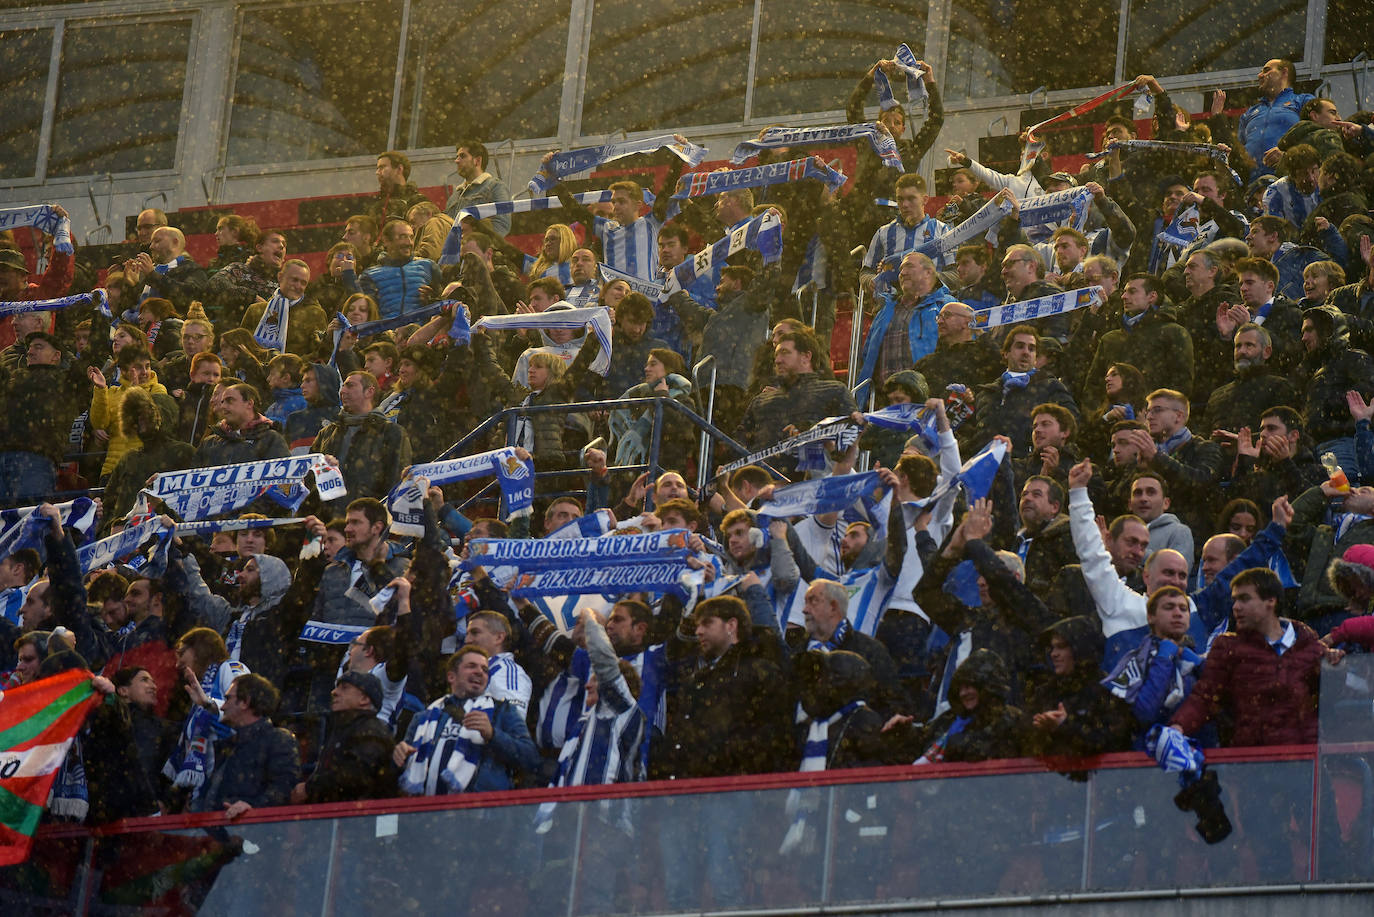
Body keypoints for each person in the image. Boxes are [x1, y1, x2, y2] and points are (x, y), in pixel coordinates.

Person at [1169, 567, 1329, 746]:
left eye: (1244, 599)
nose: (1236, 607)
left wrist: (1339, 665)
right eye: (1235, 600)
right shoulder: (1228, 648)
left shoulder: (1310, 647)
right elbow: (1205, 697)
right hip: (1250, 762)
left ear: (1271, 601)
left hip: (1305, 762)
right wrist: (1177, 727)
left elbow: (1333, 700)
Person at [393, 646, 539, 795]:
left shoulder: (502, 711)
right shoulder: (423, 717)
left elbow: (530, 758)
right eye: (471, 666)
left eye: (484, 669)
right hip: (429, 810)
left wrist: (493, 735)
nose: (479, 672)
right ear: (451, 677)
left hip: (482, 811)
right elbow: (404, 765)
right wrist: (400, 756)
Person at [192, 673, 300, 818]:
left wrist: (252, 808)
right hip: (218, 831)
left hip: (251, 833)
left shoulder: (278, 740)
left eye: (228, 698)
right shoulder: (229, 745)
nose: (223, 707)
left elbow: (284, 787)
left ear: (245, 702)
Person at [290, 671, 398, 804]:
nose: (334, 692)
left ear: (364, 699)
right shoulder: (343, 729)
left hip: (359, 819)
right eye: (337, 687)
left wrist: (309, 789)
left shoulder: (371, 731)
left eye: (344, 687)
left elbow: (354, 777)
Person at [310, 371, 412, 508]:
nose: (343, 391)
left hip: (368, 520)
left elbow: (396, 483)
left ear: (369, 392)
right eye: (343, 386)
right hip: (327, 521)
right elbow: (310, 480)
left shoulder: (392, 433)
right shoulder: (326, 434)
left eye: (350, 386)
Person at [358, 220, 442, 320]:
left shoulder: (429, 267)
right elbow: (367, 314)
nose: (409, 242)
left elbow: (443, 305)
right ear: (386, 241)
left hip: (421, 333)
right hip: (386, 333)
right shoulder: (370, 276)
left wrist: (431, 300)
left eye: (411, 237)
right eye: (402, 237)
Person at [444, 140, 512, 235]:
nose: (456, 160)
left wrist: (477, 246)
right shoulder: (455, 196)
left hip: (475, 249)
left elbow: (501, 225)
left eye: (462, 156)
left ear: (477, 160)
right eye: (457, 157)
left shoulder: (495, 187)